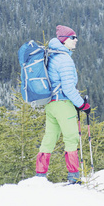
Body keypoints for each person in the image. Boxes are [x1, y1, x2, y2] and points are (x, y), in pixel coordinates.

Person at [35, 25, 91, 184]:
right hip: (63, 103)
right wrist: (82, 105)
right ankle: (74, 177)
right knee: (71, 137)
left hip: (50, 103)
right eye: (73, 38)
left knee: (49, 137)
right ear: (64, 40)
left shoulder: (52, 55)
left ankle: (40, 175)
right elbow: (68, 87)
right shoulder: (64, 59)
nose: (76, 40)